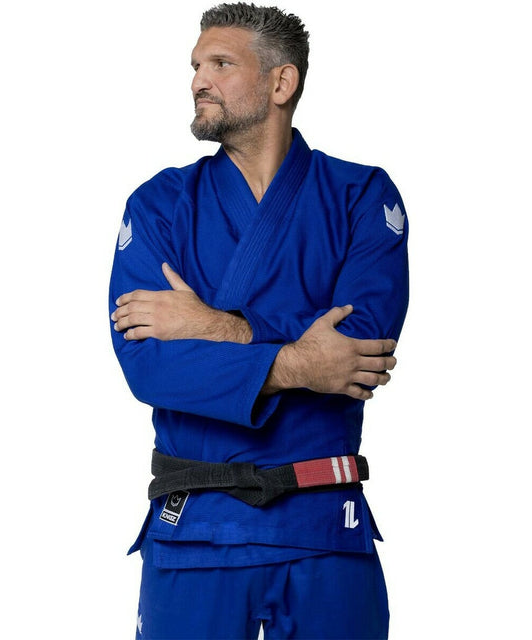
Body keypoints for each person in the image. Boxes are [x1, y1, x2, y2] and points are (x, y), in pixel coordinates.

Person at [109, 3, 408, 638]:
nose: (198, 80)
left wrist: (214, 326)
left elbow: (358, 349)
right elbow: (150, 366)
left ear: (281, 82)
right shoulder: (159, 204)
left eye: (220, 63)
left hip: (324, 525)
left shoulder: (360, 195)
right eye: (195, 66)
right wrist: (301, 361)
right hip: (195, 527)